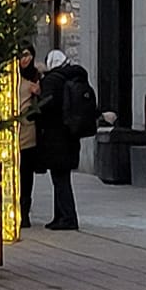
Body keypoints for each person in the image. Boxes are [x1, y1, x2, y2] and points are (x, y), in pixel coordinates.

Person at [35, 49, 95, 231]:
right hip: (71, 134)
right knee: (62, 177)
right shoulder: (76, 76)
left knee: (60, 179)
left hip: (55, 136)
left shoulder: (52, 80)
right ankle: (60, 216)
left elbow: (46, 106)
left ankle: (67, 217)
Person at [15, 49, 42, 227]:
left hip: (28, 131)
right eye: (23, 55)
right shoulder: (11, 77)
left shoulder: (35, 77)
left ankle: (24, 211)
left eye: (29, 55)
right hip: (12, 131)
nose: (26, 59)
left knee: (26, 172)